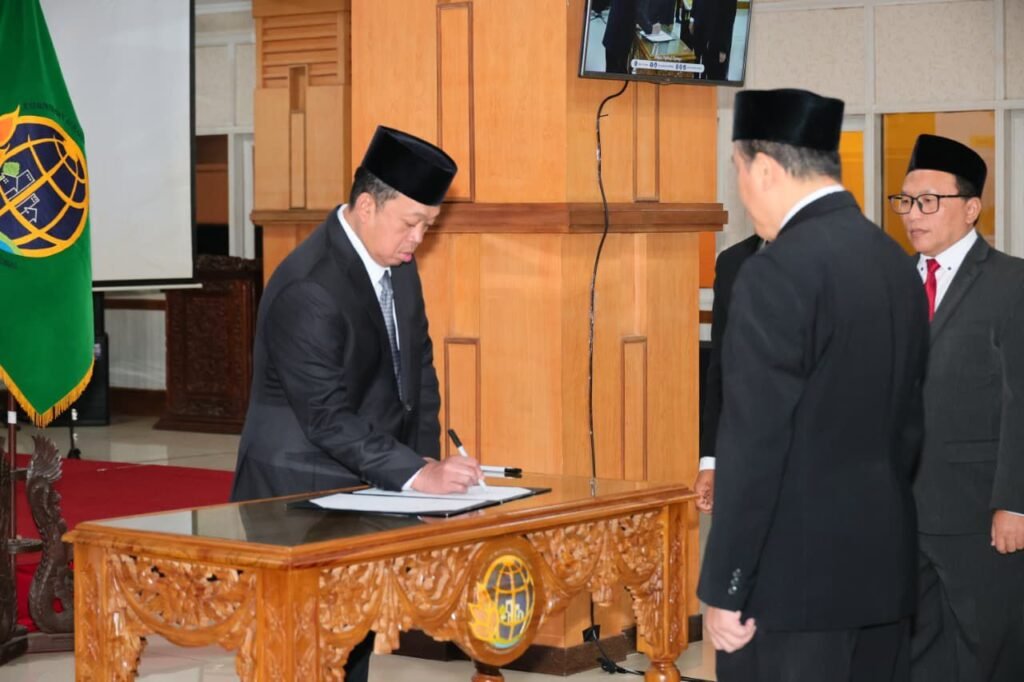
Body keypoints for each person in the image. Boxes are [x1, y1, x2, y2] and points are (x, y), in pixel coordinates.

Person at [230, 126, 483, 681]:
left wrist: (424, 466)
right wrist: (416, 474)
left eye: (428, 225)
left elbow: (418, 374)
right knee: (304, 656)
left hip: (364, 484)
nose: (419, 238)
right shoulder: (311, 285)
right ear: (367, 206)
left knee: (352, 651)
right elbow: (325, 416)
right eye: (411, 222)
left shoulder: (397, 264)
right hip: (298, 495)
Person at [697, 88, 929, 682]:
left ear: (765, 170)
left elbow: (754, 444)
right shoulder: (895, 263)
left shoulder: (774, 272)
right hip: (882, 574)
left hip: (790, 591)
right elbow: (907, 430)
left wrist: (726, 585)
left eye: (737, 170)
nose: (741, 189)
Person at [892, 134, 1024, 682]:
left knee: (988, 649)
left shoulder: (1012, 283)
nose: (911, 214)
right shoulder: (892, 281)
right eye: (905, 201)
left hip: (979, 511)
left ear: (971, 209)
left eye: (928, 201)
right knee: (917, 652)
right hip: (901, 510)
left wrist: (1015, 502)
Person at [692, 233, 762, 513]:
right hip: (743, 462)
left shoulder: (832, 258)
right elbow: (720, 369)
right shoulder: (733, 261)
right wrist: (710, 460)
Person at [690, 0, 738, 81]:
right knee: (698, 70)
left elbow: (729, 20)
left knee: (715, 76)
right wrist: (692, 19)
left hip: (717, 41)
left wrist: (723, 48)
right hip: (700, 31)